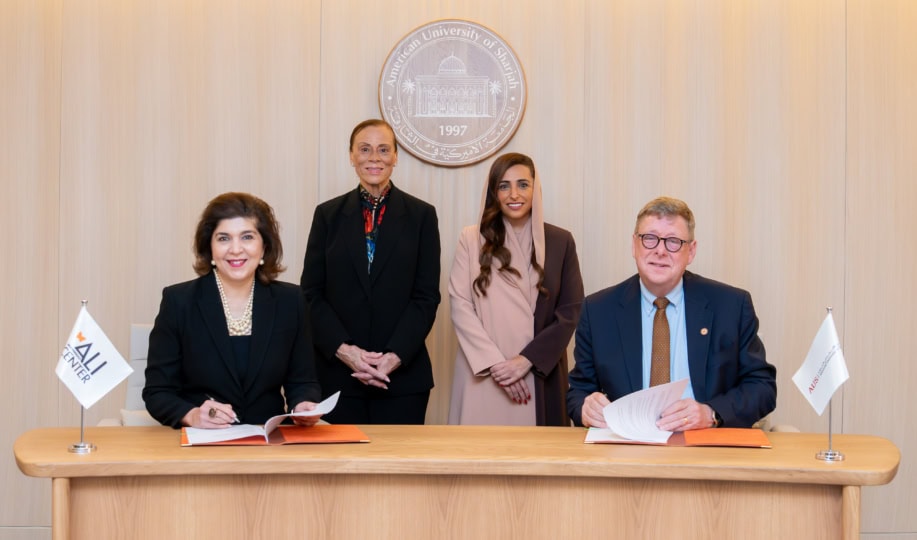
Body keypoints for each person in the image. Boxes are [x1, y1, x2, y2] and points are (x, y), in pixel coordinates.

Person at [567, 196, 776, 430]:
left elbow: (762, 387)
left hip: (705, 444)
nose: (660, 251)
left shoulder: (731, 306)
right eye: (650, 239)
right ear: (634, 245)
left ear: (691, 251)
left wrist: (711, 413)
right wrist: (585, 407)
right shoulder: (598, 311)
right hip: (627, 447)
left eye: (673, 242)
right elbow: (578, 391)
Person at [301, 119, 441, 424]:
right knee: (338, 469)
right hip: (337, 375)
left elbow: (426, 297)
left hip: (402, 379)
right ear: (352, 156)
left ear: (395, 157)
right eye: (365, 150)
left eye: (383, 150)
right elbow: (311, 294)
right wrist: (346, 352)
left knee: (399, 469)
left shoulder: (422, 216)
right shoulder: (327, 215)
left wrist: (393, 357)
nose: (374, 158)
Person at [143, 192, 322, 429]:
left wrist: (303, 405)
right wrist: (193, 415)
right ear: (210, 246)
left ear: (264, 245)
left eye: (247, 237)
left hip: (269, 443)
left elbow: (303, 381)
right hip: (203, 444)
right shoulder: (179, 302)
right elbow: (158, 392)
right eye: (224, 238)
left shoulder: (291, 301)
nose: (236, 249)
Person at [448, 152, 584, 426]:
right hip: (483, 371)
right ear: (493, 192)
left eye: (523, 184)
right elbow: (459, 304)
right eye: (504, 185)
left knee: (538, 460)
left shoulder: (560, 240)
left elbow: (571, 311)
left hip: (538, 371)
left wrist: (526, 361)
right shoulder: (472, 238)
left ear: (536, 188)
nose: (514, 194)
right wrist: (496, 366)